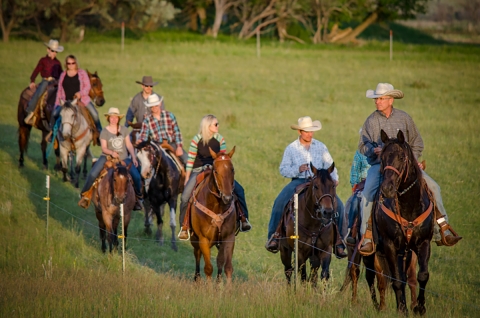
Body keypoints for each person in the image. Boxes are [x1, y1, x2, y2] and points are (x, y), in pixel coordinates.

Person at [357, 83, 462, 255]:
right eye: (376, 98)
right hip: (380, 166)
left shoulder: (404, 118)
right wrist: (373, 150)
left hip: (406, 167)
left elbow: (417, 142)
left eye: (381, 98)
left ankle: (442, 228)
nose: (377, 102)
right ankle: (367, 236)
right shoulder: (371, 121)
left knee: (434, 187)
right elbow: (363, 145)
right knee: (367, 194)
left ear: (390, 100)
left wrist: (411, 160)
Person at [265, 116, 347, 258]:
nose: (310, 134)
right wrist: (298, 169)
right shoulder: (291, 148)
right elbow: (283, 169)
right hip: (299, 181)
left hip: (320, 184)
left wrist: (335, 179)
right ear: (300, 132)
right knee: (279, 202)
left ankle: (340, 242)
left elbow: (330, 165)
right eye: (306, 131)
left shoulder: (321, 146)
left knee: (338, 205)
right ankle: (275, 235)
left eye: (311, 131)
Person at [177, 114, 251, 240]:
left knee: (239, 190)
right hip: (199, 170)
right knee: (185, 197)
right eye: (216, 124)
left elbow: (222, 158)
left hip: (215, 171)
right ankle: (184, 227)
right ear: (208, 126)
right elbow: (190, 160)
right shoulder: (197, 139)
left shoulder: (220, 139)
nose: (218, 126)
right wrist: (187, 178)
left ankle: (244, 219)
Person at [78, 108, 143, 211]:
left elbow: (129, 145)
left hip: (123, 158)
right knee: (93, 174)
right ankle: (85, 195)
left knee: (136, 176)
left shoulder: (124, 130)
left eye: (115, 117)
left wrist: (133, 157)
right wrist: (112, 152)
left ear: (118, 118)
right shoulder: (104, 131)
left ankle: (139, 199)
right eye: (111, 117)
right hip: (107, 157)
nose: (113, 119)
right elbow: (103, 148)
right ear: (108, 118)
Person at [47, 54, 102, 142]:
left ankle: (99, 133)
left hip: (82, 100)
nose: (71, 65)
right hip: (66, 102)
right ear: (66, 64)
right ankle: (52, 133)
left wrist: (80, 94)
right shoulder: (63, 75)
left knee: (95, 114)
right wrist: (57, 104)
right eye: (69, 63)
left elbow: (87, 87)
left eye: (73, 63)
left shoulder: (82, 73)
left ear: (76, 63)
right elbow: (60, 91)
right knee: (54, 114)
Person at [135, 94, 187, 164]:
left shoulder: (169, 115)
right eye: (151, 107)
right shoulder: (147, 120)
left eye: (156, 105)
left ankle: (188, 174)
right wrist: (140, 140)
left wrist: (179, 147)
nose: (154, 108)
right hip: (157, 146)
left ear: (160, 104)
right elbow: (144, 134)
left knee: (187, 160)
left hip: (171, 143)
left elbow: (177, 132)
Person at [25, 39, 64, 125]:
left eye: (56, 52)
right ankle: (30, 111)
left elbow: (61, 74)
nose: (54, 53)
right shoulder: (43, 60)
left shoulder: (58, 63)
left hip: (55, 82)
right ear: (48, 50)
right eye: (52, 51)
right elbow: (36, 70)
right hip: (46, 81)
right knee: (39, 93)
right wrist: (32, 80)